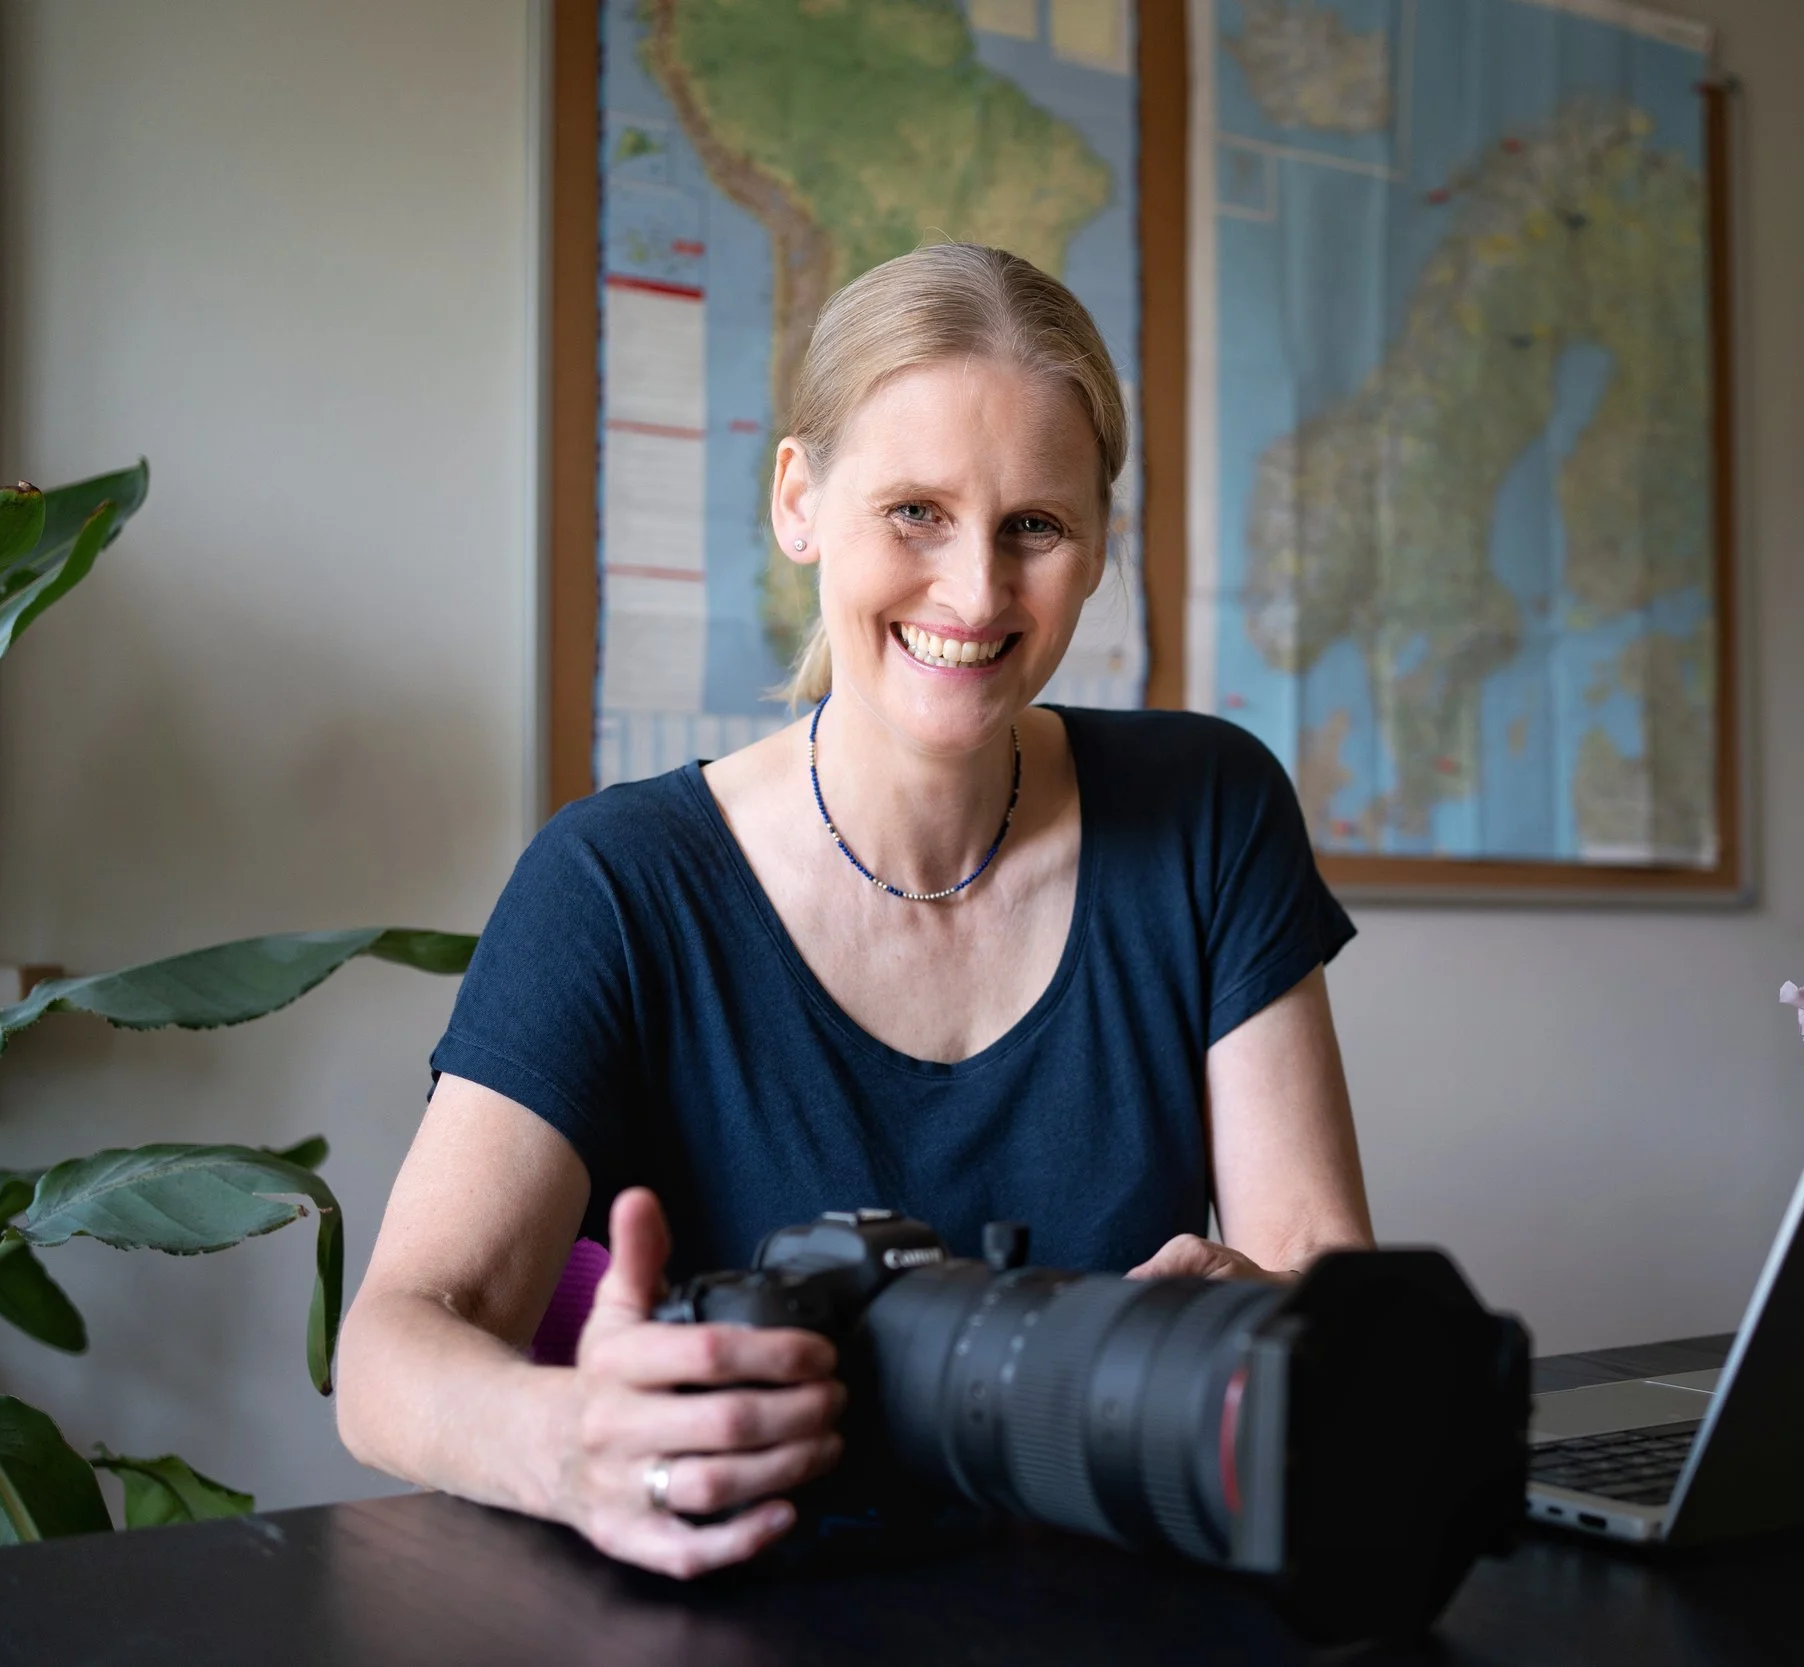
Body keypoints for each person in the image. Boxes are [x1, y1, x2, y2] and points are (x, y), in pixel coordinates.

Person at [335, 244, 1374, 1579]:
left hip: (1128, 1607)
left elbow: (1323, 1274)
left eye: (1034, 527)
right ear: (799, 499)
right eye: (914, 513)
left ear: (1101, 543)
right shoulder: (617, 881)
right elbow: (394, 1347)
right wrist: (569, 1440)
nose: (978, 594)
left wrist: (1281, 1319)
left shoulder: (1210, 812)